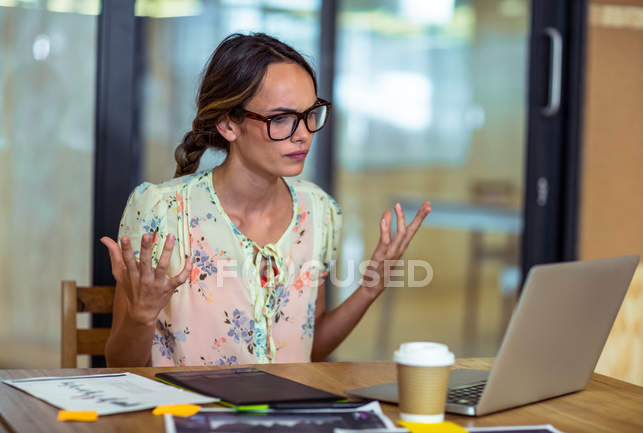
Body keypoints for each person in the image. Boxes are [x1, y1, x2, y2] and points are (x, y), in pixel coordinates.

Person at [101, 33, 431, 367]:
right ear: (229, 124)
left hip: (284, 416)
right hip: (187, 415)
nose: (303, 134)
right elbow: (119, 365)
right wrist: (141, 317)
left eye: (310, 114)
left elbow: (308, 348)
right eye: (281, 119)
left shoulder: (319, 211)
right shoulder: (161, 210)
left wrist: (369, 288)